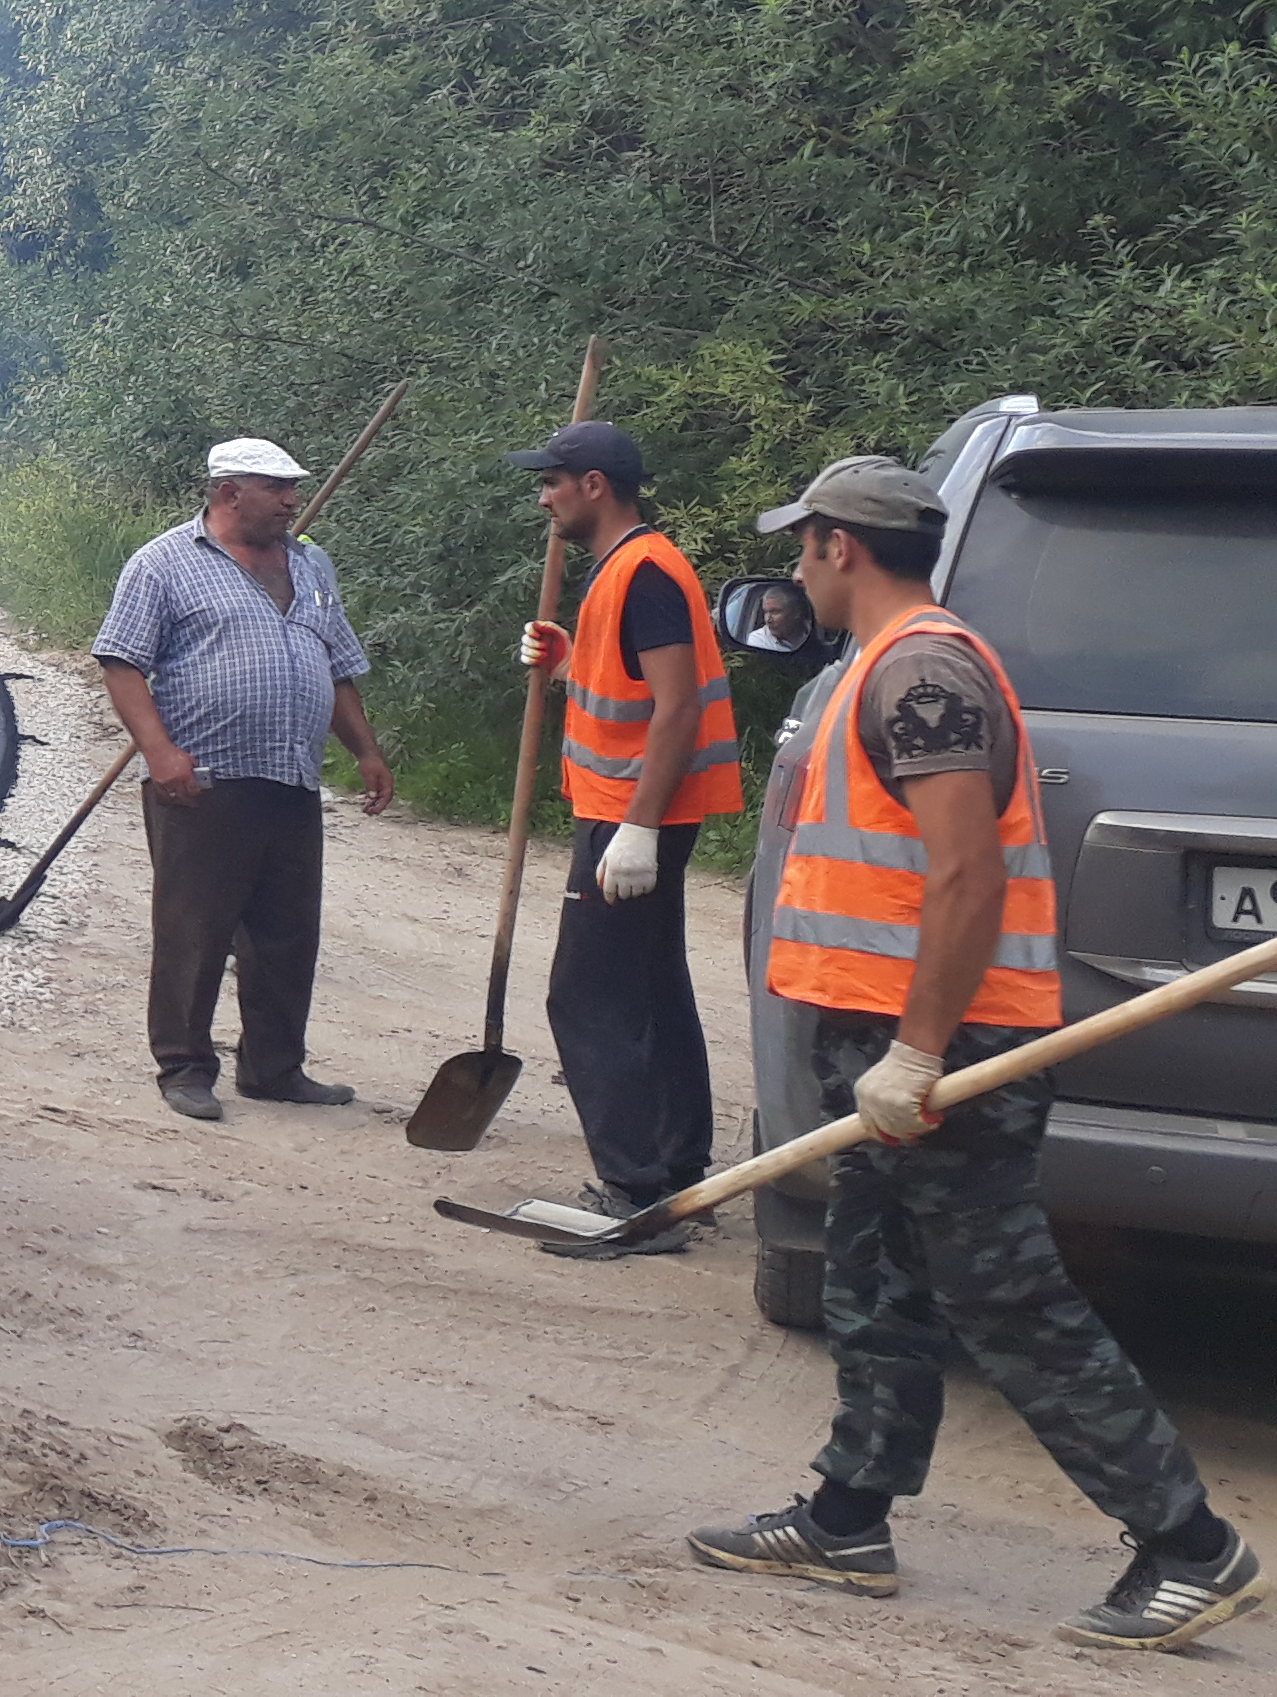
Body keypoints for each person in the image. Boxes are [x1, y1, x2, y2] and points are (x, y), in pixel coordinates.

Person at [687, 455, 1260, 1652]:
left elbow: (967, 871)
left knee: (1008, 1299)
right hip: (892, 1038)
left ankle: (1190, 1548)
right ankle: (850, 1517)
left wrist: (918, 1052)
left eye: (804, 547)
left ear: (843, 547)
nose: (799, 568)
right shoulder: (888, 667)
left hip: (951, 1052)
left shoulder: (925, 672)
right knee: (873, 1273)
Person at [92, 437, 396, 1122]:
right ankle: (184, 1067)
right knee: (194, 930)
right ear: (230, 493)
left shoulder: (311, 565)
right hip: (204, 778)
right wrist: (160, 752)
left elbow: (336, 666)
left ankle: (274, 1067)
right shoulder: (164, 563)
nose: (292, 500)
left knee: (287, 934)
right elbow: (122, 664)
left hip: (291, 775)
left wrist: (366, 753)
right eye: (278, 488)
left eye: (294, 488)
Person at [505, 420, 741, 1243]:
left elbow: (677, 706)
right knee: (651, 987)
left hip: (634, 818)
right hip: (631, 811)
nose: (544, 498)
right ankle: (677, 1173)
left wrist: (637, 829)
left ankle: (636, 1190)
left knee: (588, 995)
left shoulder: (644, 572)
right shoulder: (628, 570)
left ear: (594, 485)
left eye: (553, 482)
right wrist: (569, 660)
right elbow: (639, 689)